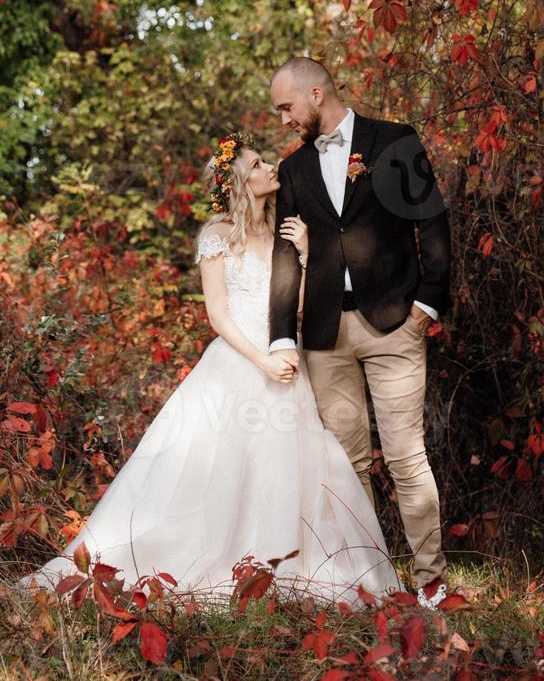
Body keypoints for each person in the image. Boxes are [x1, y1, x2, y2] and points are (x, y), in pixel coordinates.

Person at [16, 132, 400, 608]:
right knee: (217, 467)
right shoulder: (216, 235)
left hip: (285, 360)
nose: (268, 168)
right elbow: (218, 315)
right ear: (240, 180)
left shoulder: (283, 230)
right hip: (239, 364)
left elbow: (296, 307)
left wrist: (305, 253)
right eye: (258, 164)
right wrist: (261, 360)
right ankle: (215, 564)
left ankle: (283, 567)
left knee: (294, 465)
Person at [269, 57, 452, 610]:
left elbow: (432, 221)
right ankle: (370, 582)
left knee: (405, 456)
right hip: (326, 334)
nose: (282, 119)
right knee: (349, 465)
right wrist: (282, 335)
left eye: (286, 106)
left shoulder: (394, 141)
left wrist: (428, 303)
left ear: (316, 93)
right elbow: (285, 256)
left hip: (395, 323)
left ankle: (431, 582)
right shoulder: (294, 169)